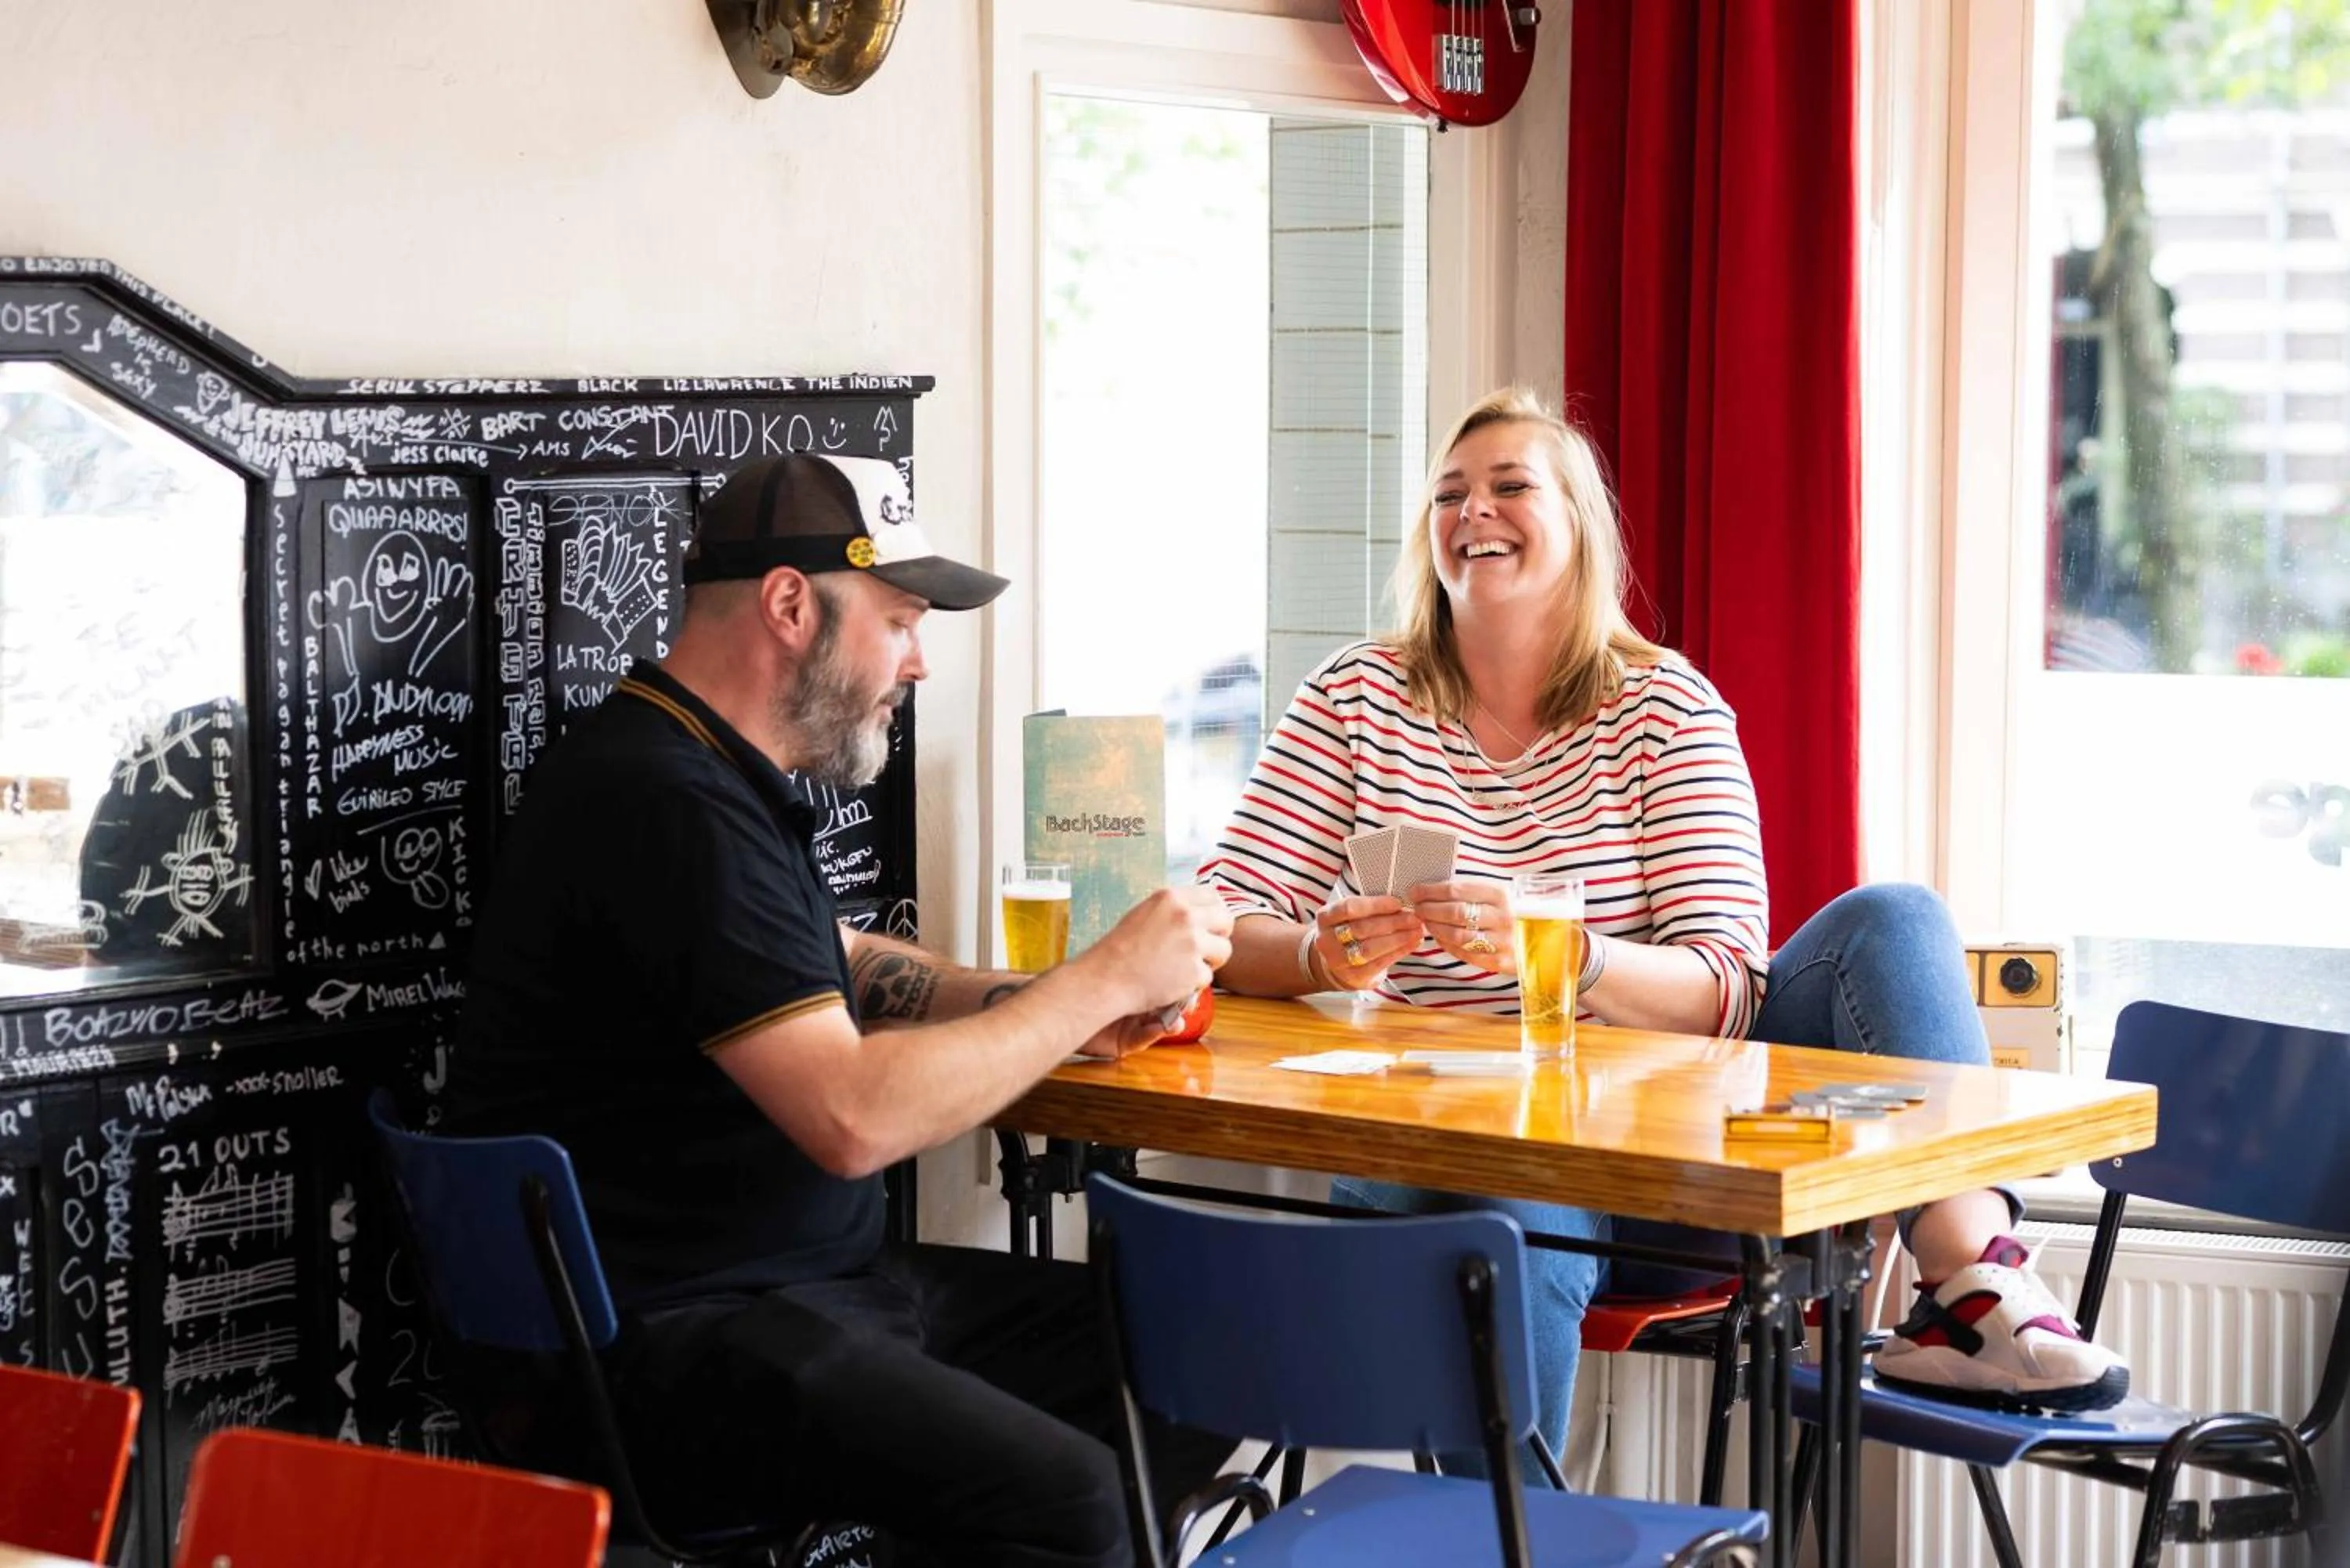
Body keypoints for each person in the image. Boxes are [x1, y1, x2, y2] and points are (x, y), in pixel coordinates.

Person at [1199, 388, 2130, 1468]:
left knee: (1897, 918)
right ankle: (1517, 1533)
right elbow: (1222, 920)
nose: (1473, 511)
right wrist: (1320, 950)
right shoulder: (1357, 695)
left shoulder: (1664, 708)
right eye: (1449, 493)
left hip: (1659, 1163)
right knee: (1510, 1168)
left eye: (1510, 486)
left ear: (1579, 526)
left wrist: (1572, 957)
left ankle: (1970, 1286)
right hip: (1449, 1140)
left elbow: (1730, 987)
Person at [449, 453, 1233, 1567]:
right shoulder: (669, 805)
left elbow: (823, 956)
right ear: (787, 603)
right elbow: (852, 1117)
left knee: (1198, 1350)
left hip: (805, 1295)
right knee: (1081, 1509)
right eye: (902, 620)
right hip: (681, 1348)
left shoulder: (679, 758)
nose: (917, 662)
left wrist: (1022, 999)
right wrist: (1094, 981)